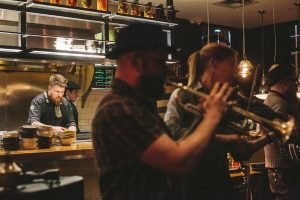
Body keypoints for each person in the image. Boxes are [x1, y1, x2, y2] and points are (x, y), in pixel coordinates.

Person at [91, 23, 233, 200]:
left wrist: (202, 118)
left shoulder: (137, 105)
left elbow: (176, 149)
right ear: (137, 62)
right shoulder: (118, 109)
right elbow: (178, 162)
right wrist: (212, 117)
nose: (166, 71)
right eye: (159, 62)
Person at [164, 43, 280, 200]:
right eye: (232, 65)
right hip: (188, 184)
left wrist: (272, 133)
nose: (235, 73)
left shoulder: (228, 97)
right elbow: (172, 137)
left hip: (220, 183)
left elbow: (241, 154)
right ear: (214, 64)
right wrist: (217, 132)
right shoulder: (183, 96)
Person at [264, 63, 300, 200]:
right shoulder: (278, 104)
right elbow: (280, 138)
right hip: (284, 167)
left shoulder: (277, 100)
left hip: (282, 167)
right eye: (294, 82)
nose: (296, 86)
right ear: (285, 84)